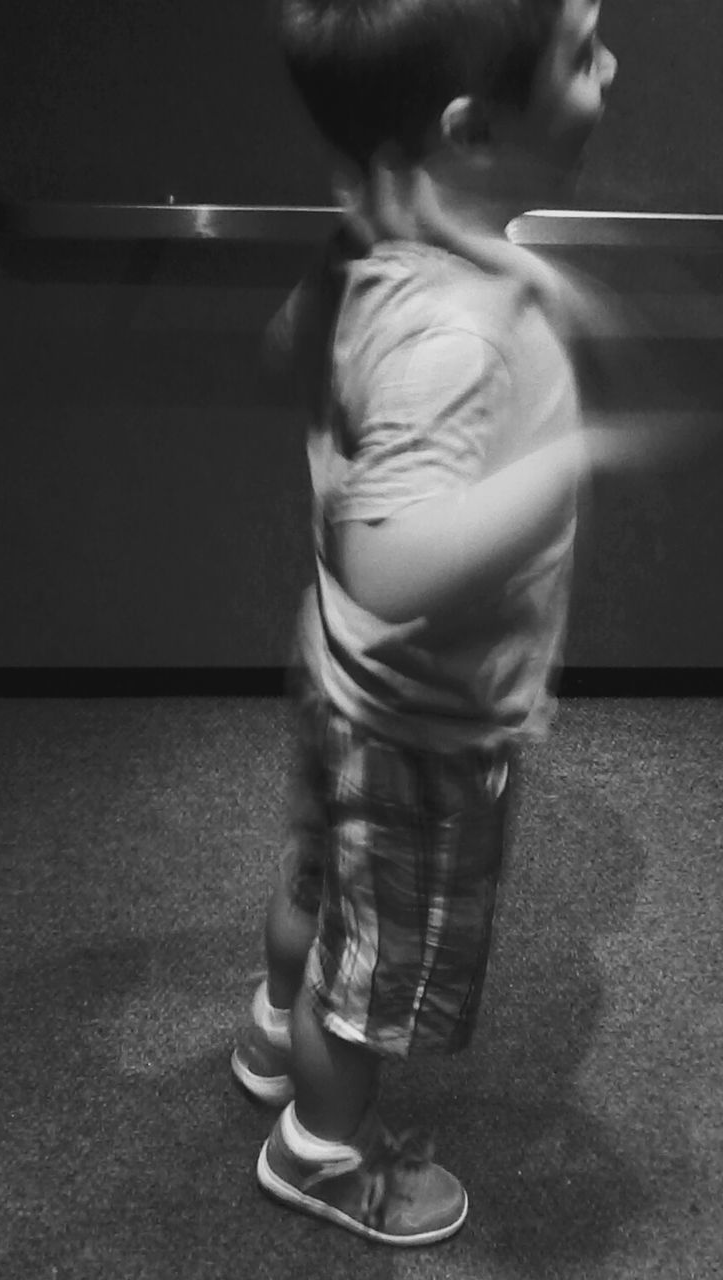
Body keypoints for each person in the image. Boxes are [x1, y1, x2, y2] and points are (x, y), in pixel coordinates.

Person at [229, 0, 630, 1247]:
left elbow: (287, 344)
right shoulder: (454, 335)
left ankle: (266, 1029)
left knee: (324, 879)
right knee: (376, 977)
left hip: (346, 678)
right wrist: (569, 460)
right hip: (421, 730)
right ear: (474, 127)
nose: (610, 64)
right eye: (583, 49)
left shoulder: (381, 235)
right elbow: (392, 559)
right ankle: (321, 1147)